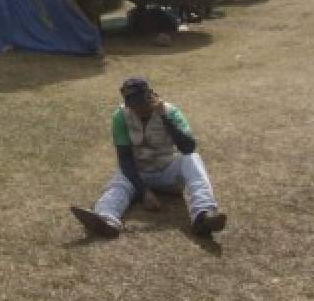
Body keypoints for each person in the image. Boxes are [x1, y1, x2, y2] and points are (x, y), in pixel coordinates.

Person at [70, 77, 227, 238]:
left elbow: (188, 147)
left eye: (141, 102)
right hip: (139, 173)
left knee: (192, 158)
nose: (138, 108)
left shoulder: (171, 111)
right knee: (118, 183)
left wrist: (164, 117)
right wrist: (144, 191)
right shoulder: (120, 116)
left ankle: (203, 215)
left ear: (150, 95)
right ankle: (105, 220)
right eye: (133, 104)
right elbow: (124, 159)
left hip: (168, 173)